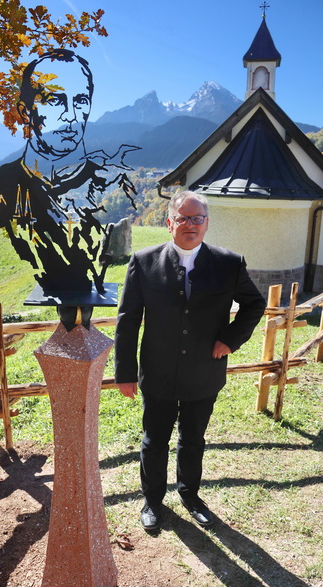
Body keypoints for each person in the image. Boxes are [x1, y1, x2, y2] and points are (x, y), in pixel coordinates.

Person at [114, 190, 266, 531]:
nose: (190, 224)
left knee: (193, 439)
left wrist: (230, 339)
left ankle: (190, 495)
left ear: (207, 224)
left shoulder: (229, 263)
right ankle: (152, 501)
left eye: (197, 218)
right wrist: (124, 373)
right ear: (169, 223)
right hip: (158, 370)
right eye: (183, 218)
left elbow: (255, 304)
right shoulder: (144, 261)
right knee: (154, 441)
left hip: (204, 371)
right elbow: (127, 320)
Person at [0, 48, 137, 294]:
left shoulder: (109, 182)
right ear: (25, 111)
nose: (71, 116)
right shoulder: (0, 188)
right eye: (55, 100)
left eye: (81, 101)